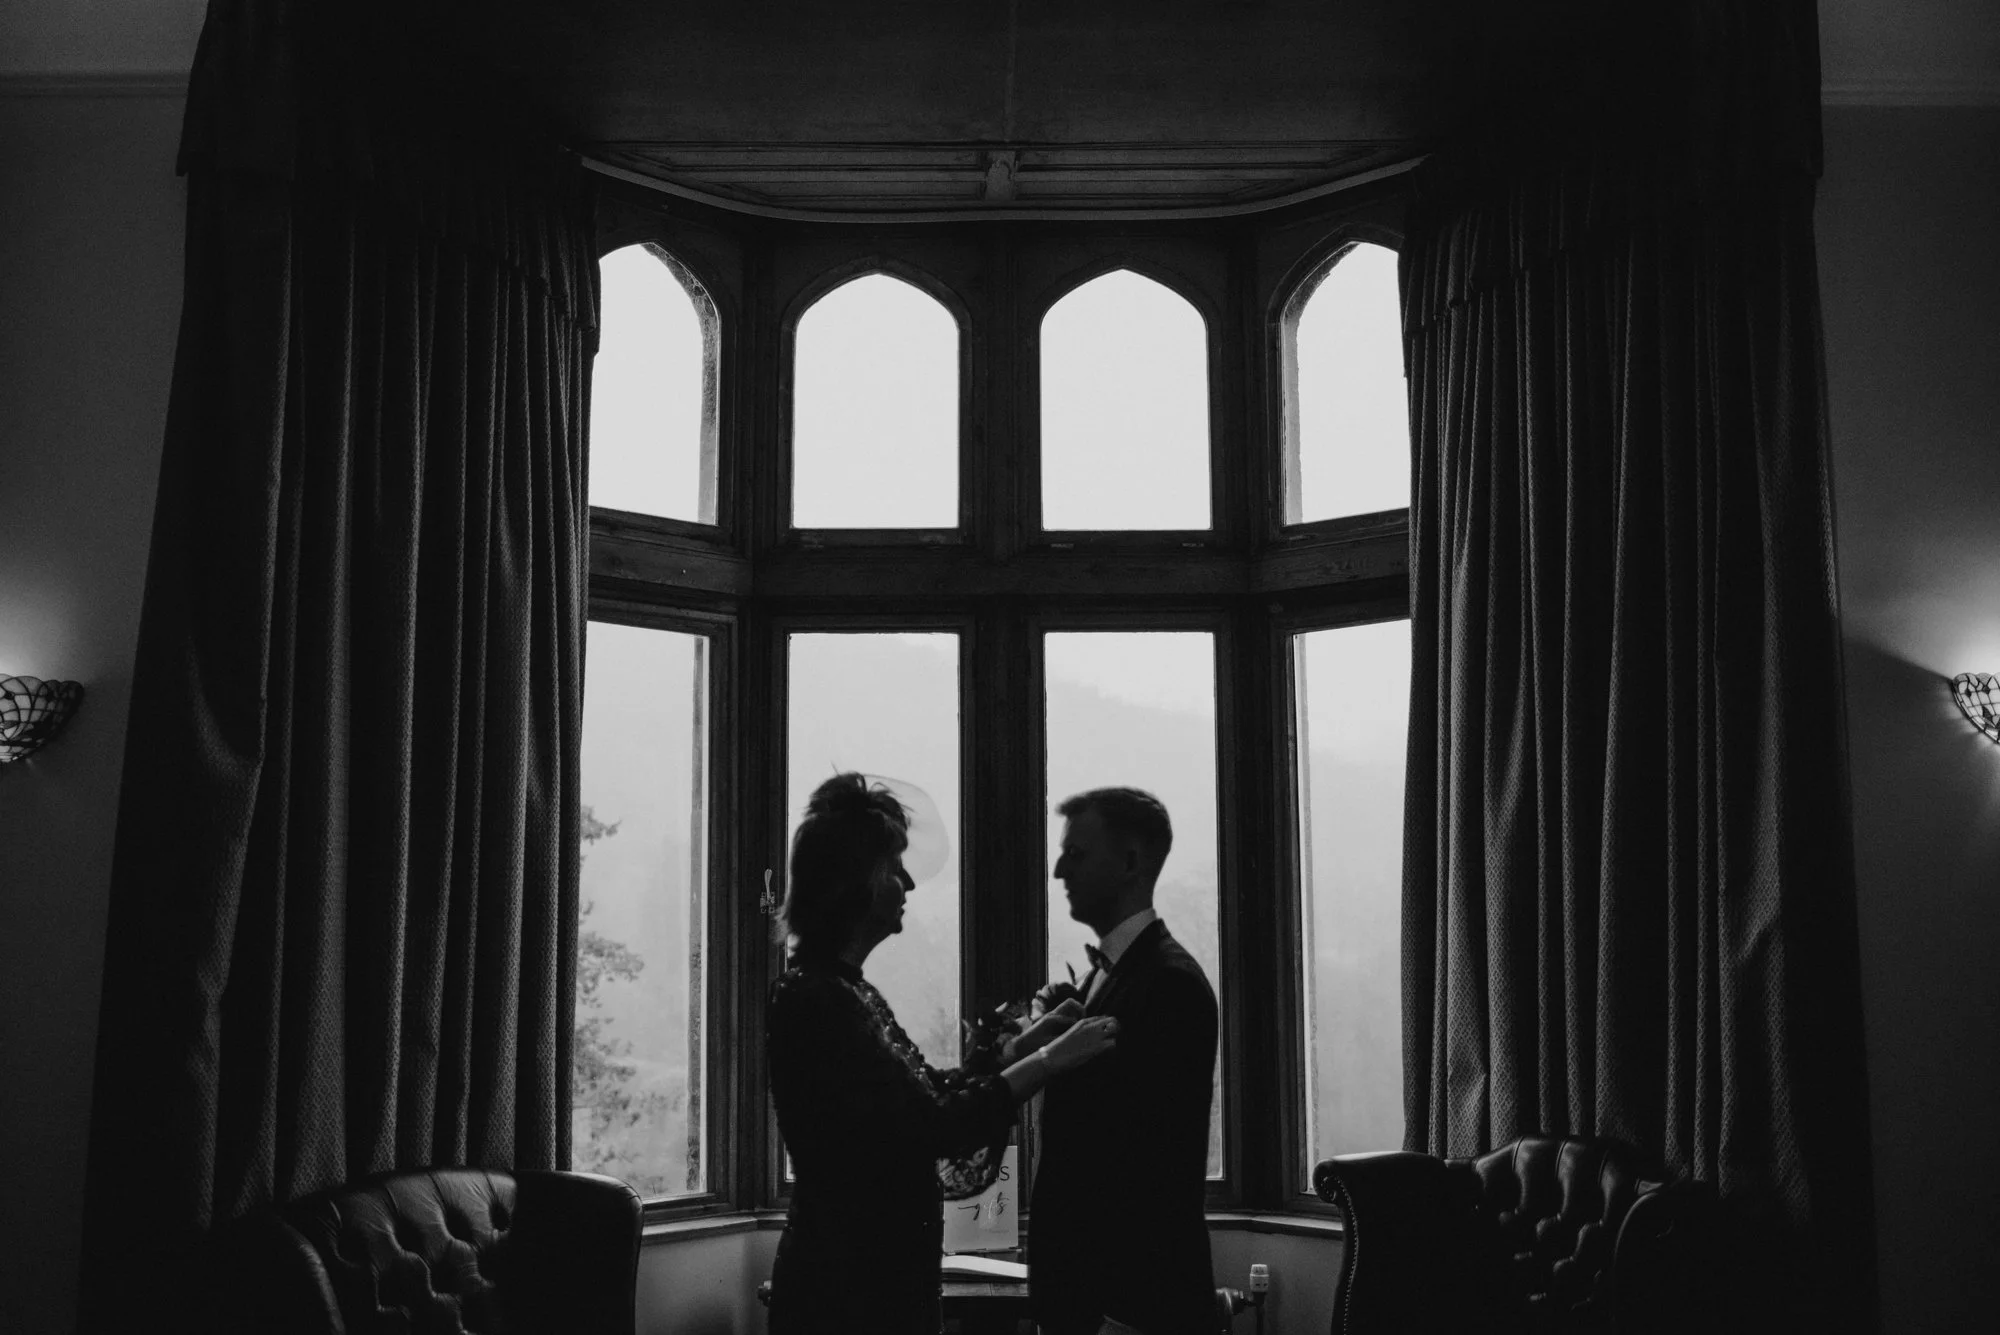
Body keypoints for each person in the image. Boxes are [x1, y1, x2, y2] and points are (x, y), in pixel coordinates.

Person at [767, 772, 1118, 1335]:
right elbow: (931, 1123)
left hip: (872, 1278)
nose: (907, 881)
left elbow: (923, 1092)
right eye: (894, 866)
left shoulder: (845, 991)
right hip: (846, 1292)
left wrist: (1021, 1046)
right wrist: (1049, 1061)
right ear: (856, 881)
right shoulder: (818, 999)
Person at [1030, 787, 1219, 1335]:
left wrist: (1117, 1318)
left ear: (1131, 863)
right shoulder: (1106, 977)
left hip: (1128, 1305)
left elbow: (1152, 1167)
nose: (1059, 870)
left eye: (1076, 854)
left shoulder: (1170, 984)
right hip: (1084, 1295)